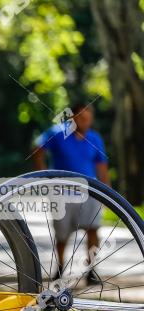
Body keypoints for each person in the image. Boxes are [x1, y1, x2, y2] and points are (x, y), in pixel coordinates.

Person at [32, 103, 110, 284]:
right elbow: (36, 150)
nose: (86, 122)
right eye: (82, 117)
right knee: (62, 235)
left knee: (93, 230)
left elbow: (102, 167)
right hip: (62, 193)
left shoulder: (94, 138)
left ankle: (91, 270)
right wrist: (44, 178)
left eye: (89, 118)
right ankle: (59, 269)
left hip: (90, 191)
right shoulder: (57, 133)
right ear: (72, 117)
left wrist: (107, 193)